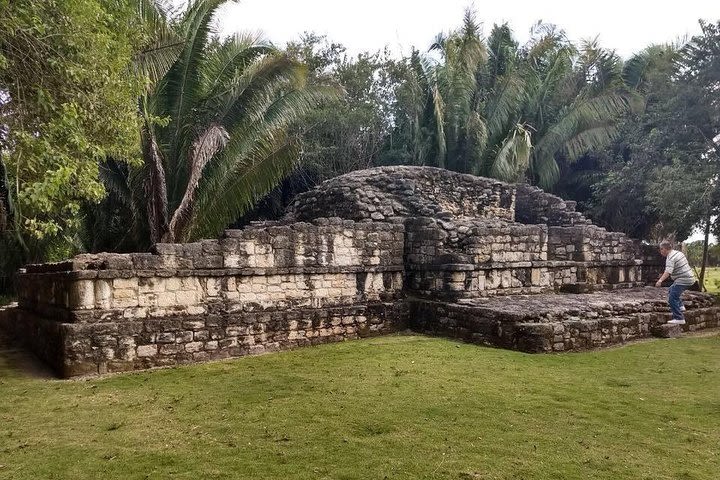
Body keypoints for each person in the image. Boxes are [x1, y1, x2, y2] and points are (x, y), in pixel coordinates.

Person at [655, 240, 696, 325]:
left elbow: (668, 272)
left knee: (672, 298)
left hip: (683, 279)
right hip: (689, 277)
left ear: (665, 249)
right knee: (671, 290)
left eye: (661, 249)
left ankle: (679, 318)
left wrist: (660, 280)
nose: (660, 251)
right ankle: (681, 307)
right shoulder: (678, 253)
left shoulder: (671, 258)